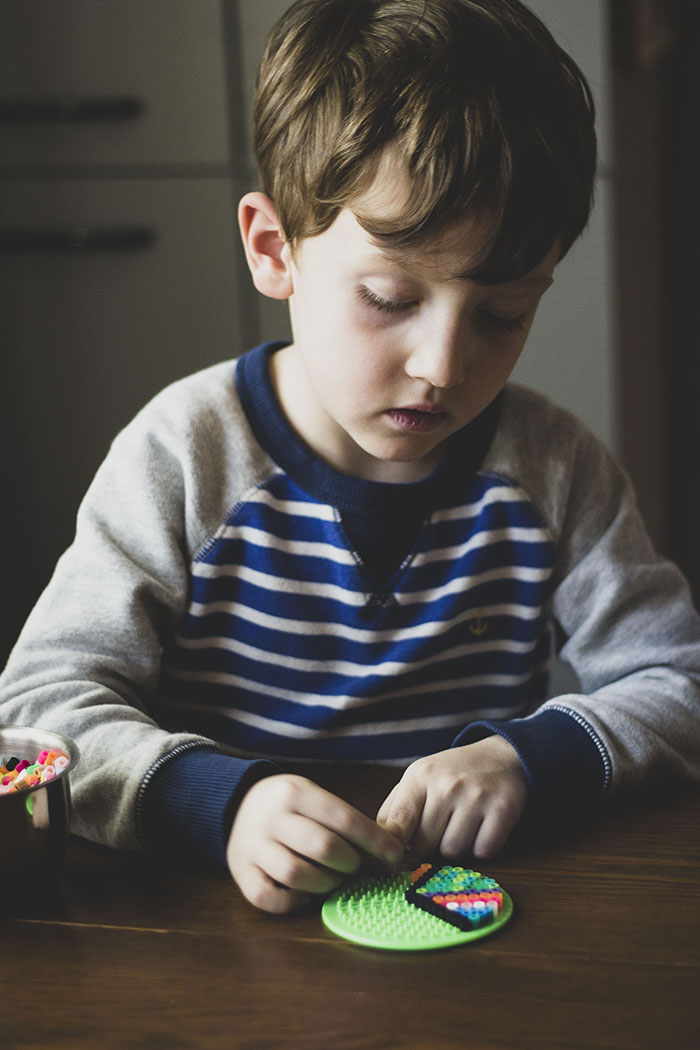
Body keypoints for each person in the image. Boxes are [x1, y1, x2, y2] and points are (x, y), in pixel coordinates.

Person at [2, 0, 700, 916]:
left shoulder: (555, 469)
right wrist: (220, 800)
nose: (444, 368)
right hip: (218, 934)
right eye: (387, 298)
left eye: (502, 315)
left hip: (469, 924)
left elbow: (677, 680)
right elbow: (38, 714)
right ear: (272, 248)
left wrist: (529, 757)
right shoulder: (184, 455)